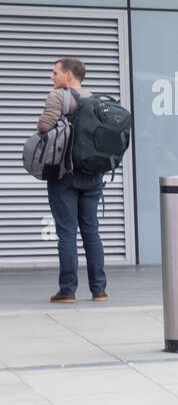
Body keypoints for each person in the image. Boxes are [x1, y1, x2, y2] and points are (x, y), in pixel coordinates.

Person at [40, 58, 107, 304]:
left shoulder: (58, 96)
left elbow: (45, 126)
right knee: (91, 233)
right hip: (93, 174)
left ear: (68, 76)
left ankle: (67, 291)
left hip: (64, 175)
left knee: (67, 233)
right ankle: (99, 290)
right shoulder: (95, 99)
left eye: (55, 72)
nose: (52, 76)